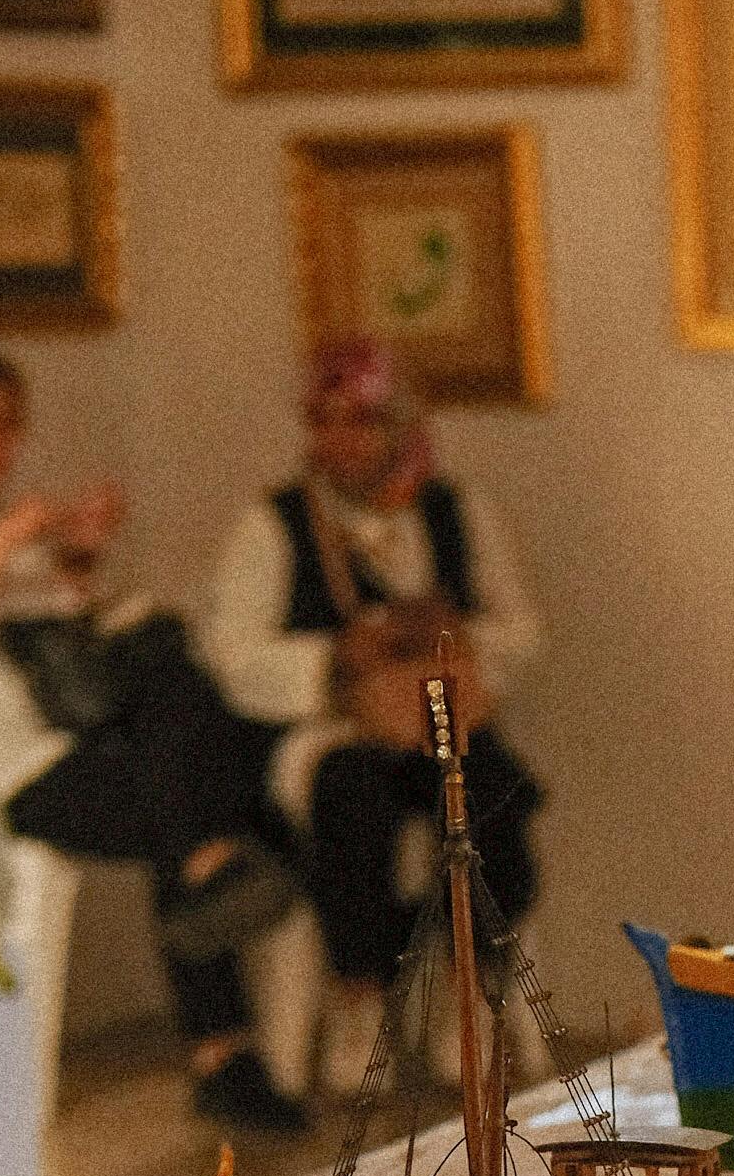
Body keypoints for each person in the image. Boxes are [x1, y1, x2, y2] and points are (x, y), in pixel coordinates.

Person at [0, 342, 307, 1134]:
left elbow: (53, 613)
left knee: (170, 666)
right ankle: (225, 1046)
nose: (7, 450)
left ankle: (222, 1008)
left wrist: (74, 555)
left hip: (63, 739)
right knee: (203, 802)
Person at [205, 341, 544, 1091]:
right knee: (351, 800)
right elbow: (230, 654)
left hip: (440, 719)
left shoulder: (455, 514)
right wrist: (335, 657)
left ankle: (468, 983)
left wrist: (451, 631)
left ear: (400, 424)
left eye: (361, 421)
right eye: (324, 422)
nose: (341, 441)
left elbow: (519, 630)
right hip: (335, 729)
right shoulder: (277, 525)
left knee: (489, 798)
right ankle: (360, 993)